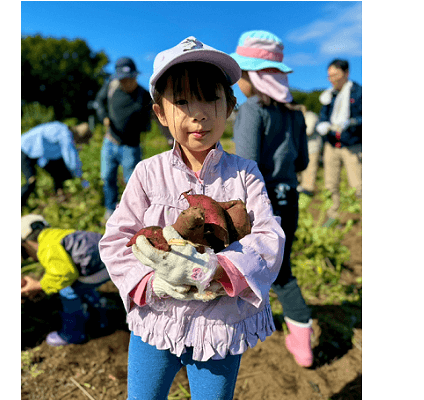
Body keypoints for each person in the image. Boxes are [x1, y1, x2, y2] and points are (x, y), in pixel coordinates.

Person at [98, 36, 286, 399]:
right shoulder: (147, 173)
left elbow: (268, 237)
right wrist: (153, 284)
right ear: (160, 114)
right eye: (181, 101)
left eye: (210, 98)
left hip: (220, 326)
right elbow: (115, 239)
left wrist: (219, 270)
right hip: (157, 321)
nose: (197, 113)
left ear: (230, 105)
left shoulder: (244, 174)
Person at [230, 30, 314, 367]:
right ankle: (300, 338)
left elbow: (247, 163)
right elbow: (304, 162)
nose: (238, 83)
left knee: (255, 265)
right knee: (282, 265)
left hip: (261, 203)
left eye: (241, 75)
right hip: (289, 198)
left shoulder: (252, 110)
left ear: (253, 76)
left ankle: (246, 325)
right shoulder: (295, 113)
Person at [21, 214, 111, 346]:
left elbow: (65, 274)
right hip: (108, 258)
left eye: (25, 252)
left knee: (67, 290)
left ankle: (73, 334)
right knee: (82, 286)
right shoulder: (56, 234)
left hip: (97, 267)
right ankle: (100, 315)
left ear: (27, 243)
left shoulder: (46, 246)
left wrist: (40, 285)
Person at [92, 57, 153, 223]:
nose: (126, 83)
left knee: (132, 181)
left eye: (129, 79)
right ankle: (110, 209)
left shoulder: (143, 96)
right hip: (110, 141)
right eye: (123, 80)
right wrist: (104, 116)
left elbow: (151, 119)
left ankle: (132, 214)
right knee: (107, 177)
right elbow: (98, 102)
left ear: (135, 77)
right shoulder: (111, 88)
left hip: (131, 146)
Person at [315, 59, 362, 223]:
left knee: (358, 184)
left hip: (352, 145)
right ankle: (333, 216)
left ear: (346, 73)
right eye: (329, 76)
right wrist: (322, 124)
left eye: (335, 75)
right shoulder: (329, 95)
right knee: (330, 183)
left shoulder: (358, 92)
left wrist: (353, 122)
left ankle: (361, 216)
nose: (332, 79)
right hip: (331, 144)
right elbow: (323, 116)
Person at [21, 121, 91, 207]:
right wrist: (81, 178)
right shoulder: (65, 134)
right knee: (31, 181)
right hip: (24, 149)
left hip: (36, 153)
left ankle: (60, 197)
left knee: (59, 171)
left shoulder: (62, 128)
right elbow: (70, 157)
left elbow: (54, 157)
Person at [296, 105, 321, 196]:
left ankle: (308, 190)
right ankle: (302, 187)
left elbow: (308, 131)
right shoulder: (298, 118)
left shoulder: (310, 116)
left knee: (310, 168)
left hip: (312, 147)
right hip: (302, 148)